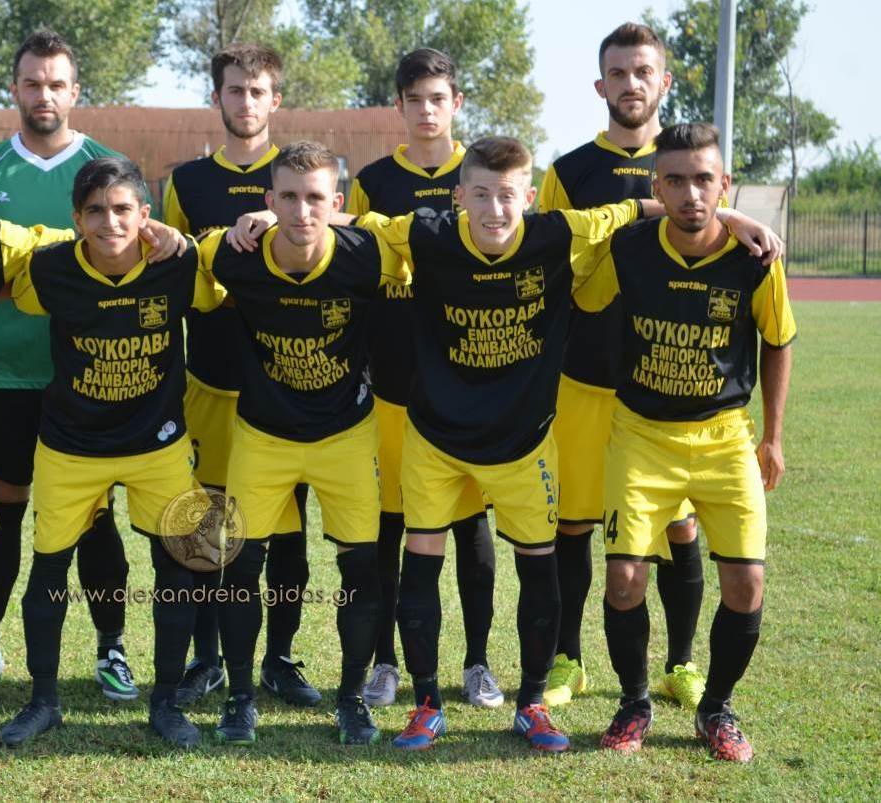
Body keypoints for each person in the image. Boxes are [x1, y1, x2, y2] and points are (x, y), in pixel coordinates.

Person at [257, 135, 778, 752]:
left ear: (529, 198)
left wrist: (729, 216)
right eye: (480, 195)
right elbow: (340, 221)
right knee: (421, 563)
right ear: (459, 198)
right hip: (435, 438)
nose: (495, 210)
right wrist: (267, 219)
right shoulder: (424, 233)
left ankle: (531, 704)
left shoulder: (559, 233)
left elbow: (638, 208)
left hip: (524, 442)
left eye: (507, 196)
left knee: (538, 568)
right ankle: (426, 705)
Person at [577, 122, 794, 761]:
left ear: (724, 183)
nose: (691, 194)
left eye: (704, 180)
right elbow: (583, 295)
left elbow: (778, 340)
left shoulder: (755, 259)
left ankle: (716, 708)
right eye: (675, 181)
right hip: (641, 435)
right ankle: (634, 702)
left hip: (725, 437)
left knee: (746, 585)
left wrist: (773, 437)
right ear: (657, 186)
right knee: (623, 579)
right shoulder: (629, 249)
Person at [0, 157, 220, 748]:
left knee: (176, 564)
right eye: (95, 211)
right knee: (49, 566)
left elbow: (224, 256)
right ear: (76, 219)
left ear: (145, 214)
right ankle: (43, 701)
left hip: (157, 443)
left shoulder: (179, 263)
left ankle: (166, 702)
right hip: (71, 444)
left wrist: (195, 239)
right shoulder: (49, 268)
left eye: (123, 209)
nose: (110, 222)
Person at [209, 141, 412, 746]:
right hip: (263, 434)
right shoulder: (235, 254)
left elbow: (421, 240)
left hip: (345, 433)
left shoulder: (366, 253)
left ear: (337, 202)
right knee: (240, 565)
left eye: (315, 199)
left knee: (361, 567)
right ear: (268, 201)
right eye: (289, 198)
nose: (302, 211)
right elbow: (179, 254)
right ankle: (239, 698)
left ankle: (351, 699)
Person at [0, 29, 138, 700]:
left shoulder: (107, 169)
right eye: (32, 83)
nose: (44, 94)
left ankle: (111, 645)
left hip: (87, 380)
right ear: (14, 88)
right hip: (2, 377)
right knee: (1, 513)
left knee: (93, 518)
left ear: (75, 91)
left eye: (56, 84)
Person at [538, 21, 707, 710]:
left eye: (643, 72)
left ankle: (682, 663)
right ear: (599, 85)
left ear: (663, 81)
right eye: (618, 73)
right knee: (572, 523)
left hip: (667, 389)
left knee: (679, 525)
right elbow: (544, 267)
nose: (630, 84)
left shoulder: (690, 167)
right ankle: (566, 659)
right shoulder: (568, 172)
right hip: (582, 380)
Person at [345, 47, 502, 712]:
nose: (427, 111)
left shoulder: (482, 174)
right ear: (399, 106)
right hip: (390, 388)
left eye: (438, 99)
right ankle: (385, 662)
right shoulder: (373, 181)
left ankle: (477, 661)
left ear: (456, 103)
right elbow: (351, 265)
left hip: (465, 390)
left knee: (470, 531)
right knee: (389, 529)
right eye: (415, 100)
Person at [162, 42, 316, 711]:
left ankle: (279, 658)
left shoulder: (300, 179)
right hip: (209, 383)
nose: (245, 102)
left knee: (285, 534)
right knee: (208, 533)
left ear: (274, 99)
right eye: (234, 90)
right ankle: (207, 660)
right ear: (216, 97)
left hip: (284, 386)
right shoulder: (186, 183)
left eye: (257, 91)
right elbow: (168, 278)